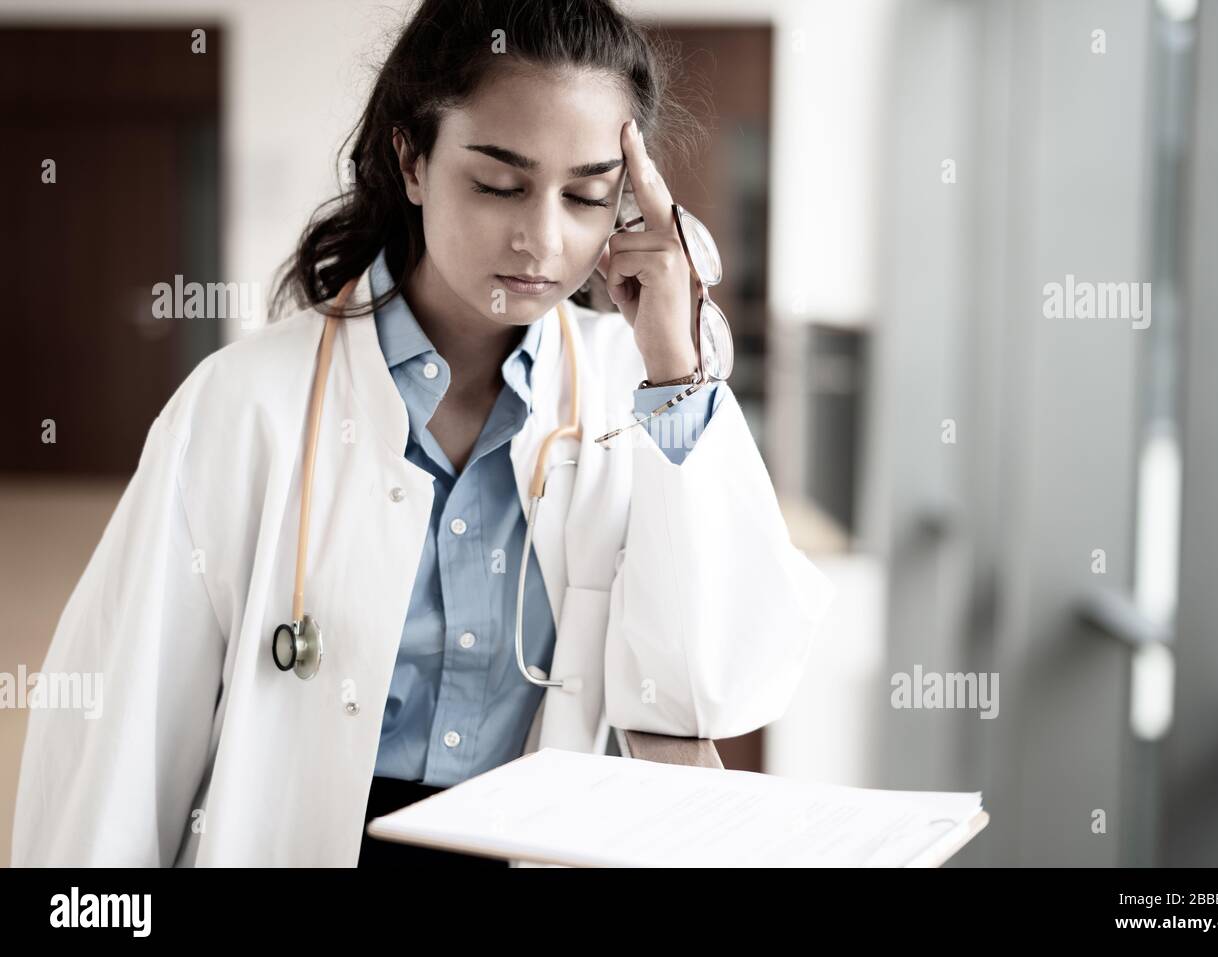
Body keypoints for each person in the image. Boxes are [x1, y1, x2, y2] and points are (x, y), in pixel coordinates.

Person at [11, 0, 833, 867]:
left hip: (535, 842)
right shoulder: (244, 406)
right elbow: (118, 749)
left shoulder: (639, 397)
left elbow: (716, 685)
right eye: (499, 183)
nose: (542, 240)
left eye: (588, 194)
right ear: (412, 159)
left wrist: (676, 370)